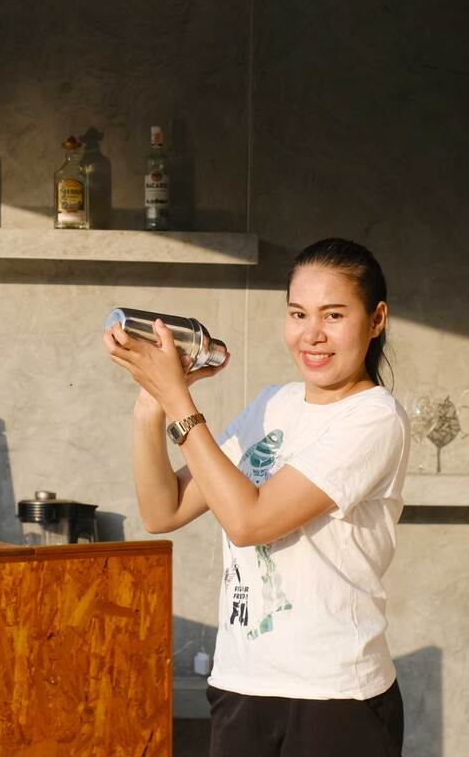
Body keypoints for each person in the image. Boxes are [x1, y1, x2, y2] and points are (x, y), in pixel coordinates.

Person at [104, 237, 409, 756]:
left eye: (333, 315)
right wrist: (151, 403)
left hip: (334, 696)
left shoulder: (375, 419)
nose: (311, 335)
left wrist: (178, 397)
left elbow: (251, 522)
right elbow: (164, 510)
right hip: (243, 684)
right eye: (298, 314)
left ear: (376, 319)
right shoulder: (274, 403)